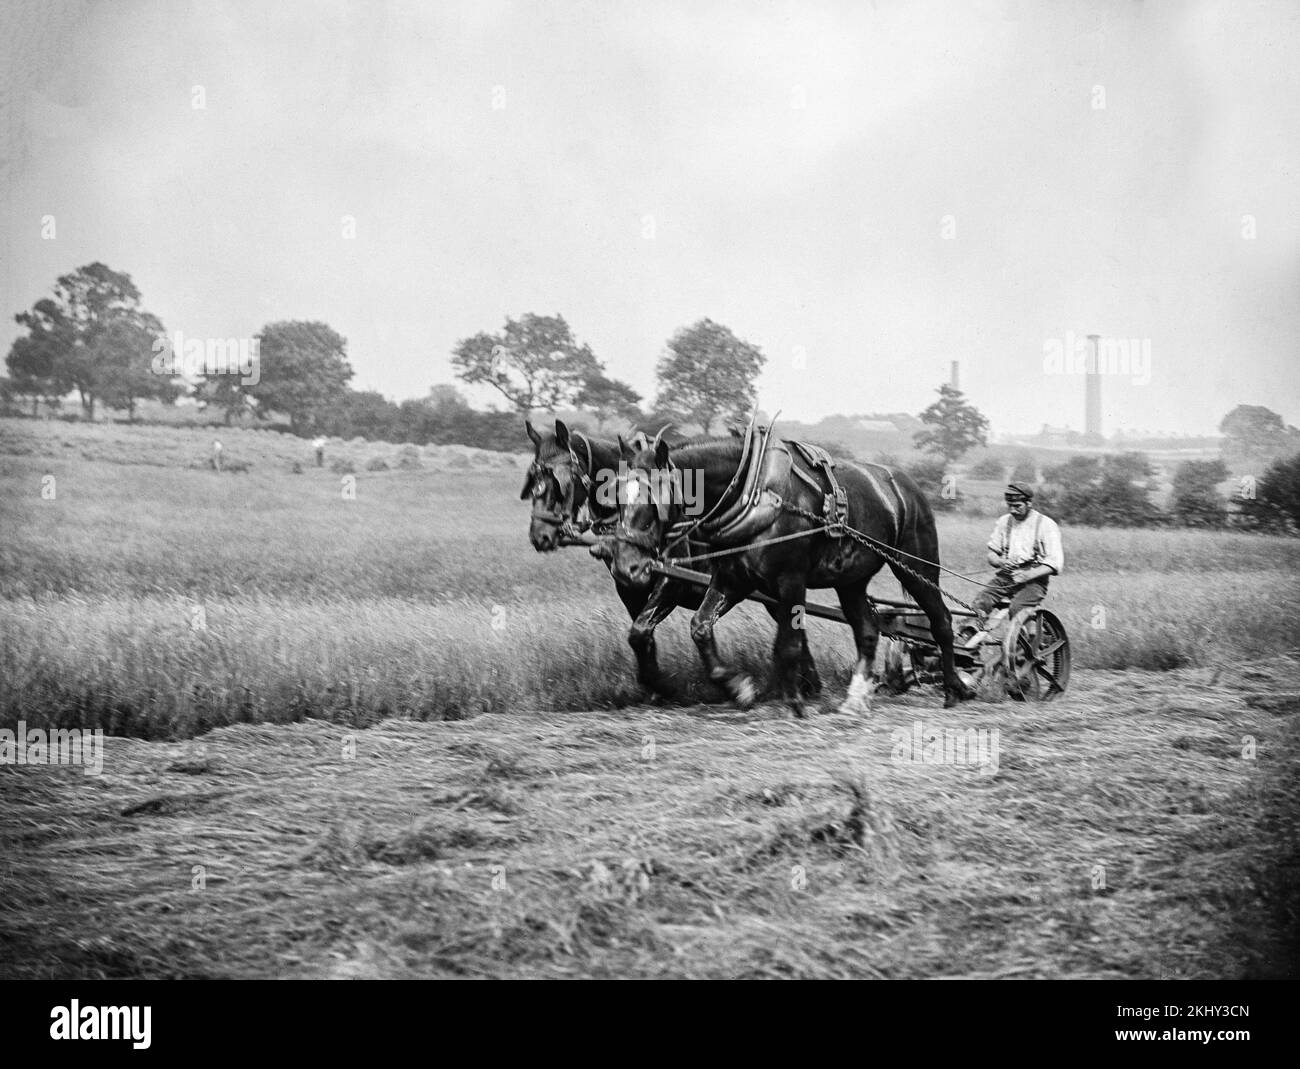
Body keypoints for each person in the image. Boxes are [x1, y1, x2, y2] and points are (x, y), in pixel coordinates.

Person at [972, 482, 1064, 628]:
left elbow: (1055, 563)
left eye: (1017, 506)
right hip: (1005, 577)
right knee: (981, 601)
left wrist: (1028, 575)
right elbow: (992, 554)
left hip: (1034, 581)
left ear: (1029, 503)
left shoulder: (1045, 524)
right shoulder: (1004, 522)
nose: (1013, 510)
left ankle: (1025, 643)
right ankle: (973, 635)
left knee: (1017, 608)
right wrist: (1001, 562)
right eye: (1010, 506)